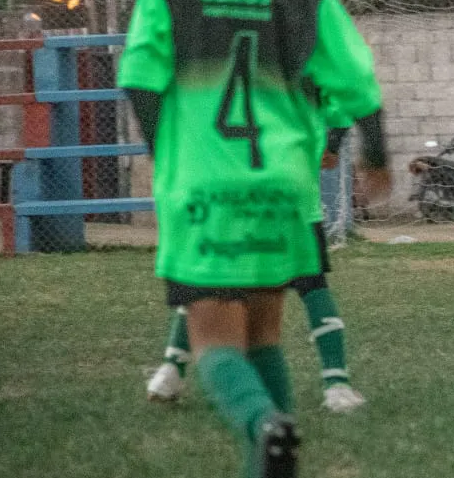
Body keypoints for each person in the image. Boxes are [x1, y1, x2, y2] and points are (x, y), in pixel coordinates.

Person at [118, 0, 389, 478]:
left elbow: (140, 77)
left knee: (213, 344)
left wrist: (168, 156)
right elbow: (357, 83)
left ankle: (263, 423)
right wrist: (378, 157)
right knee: (265, 331)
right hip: (281, 184)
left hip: (204, 183)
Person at [145, 129, 368, 414]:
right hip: (271, 202)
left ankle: (170, 372)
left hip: (248, 202)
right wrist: (334, 144)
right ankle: (336, 386)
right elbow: (341, 98)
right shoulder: (289, 88)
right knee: (305, 286)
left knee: (219, 286)